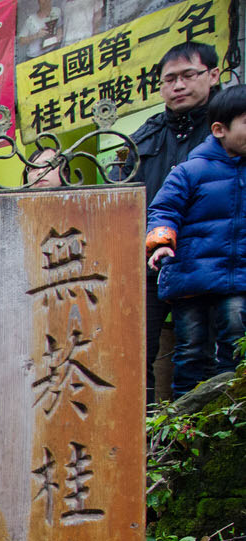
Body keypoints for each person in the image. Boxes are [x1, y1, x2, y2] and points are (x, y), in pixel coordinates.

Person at [123, 42, 221, 401]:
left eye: (187, 76)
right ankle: (143, 441)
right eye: (169, 79)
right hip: (147, 265)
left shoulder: (225, 129)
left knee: (199, 354)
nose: (177, 85)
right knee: (132, 353)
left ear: (213, 75)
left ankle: (195, 445)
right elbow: (120, 189)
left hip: (206, 261)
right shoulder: (146, 134)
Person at [145, 86, 246, 397]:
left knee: (235, 338)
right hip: (190, 278)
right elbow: (163, 210)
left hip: (237, 277)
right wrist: (161, 242)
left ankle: (229, 408)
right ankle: (184, 419)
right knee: (191, 348)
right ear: (219, 129)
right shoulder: (189, 171)